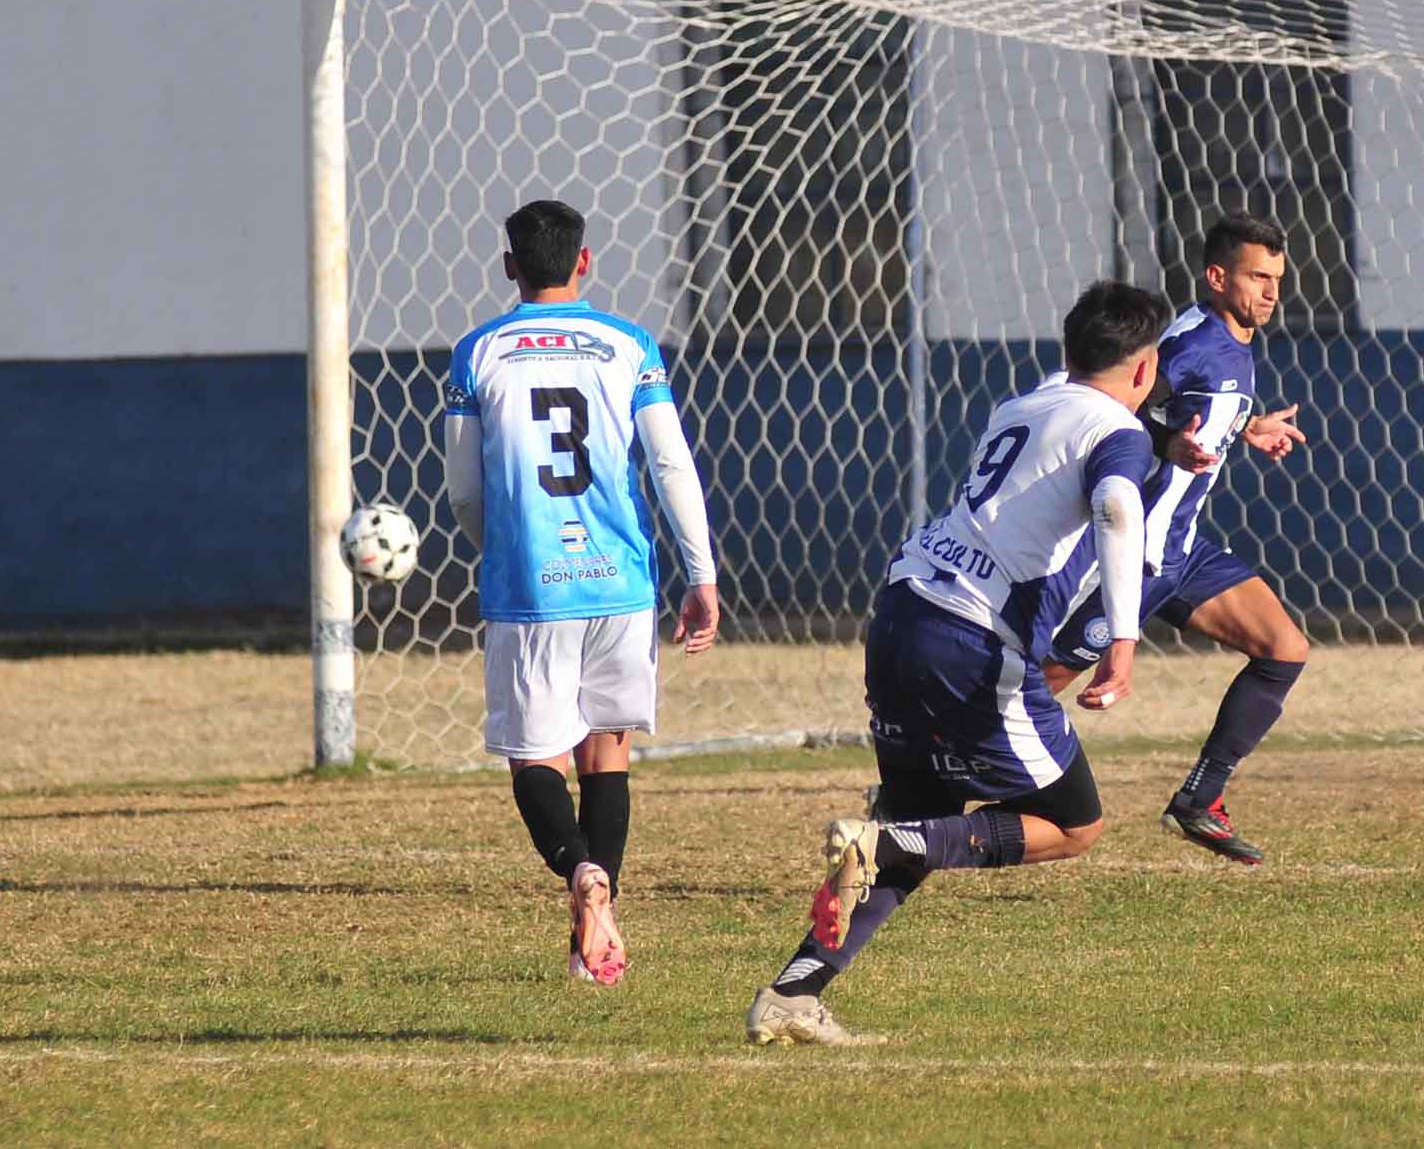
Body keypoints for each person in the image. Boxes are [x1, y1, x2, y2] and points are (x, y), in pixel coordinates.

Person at [745, 280, 1166, 1047]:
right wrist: (1125, 639)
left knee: (915, 818)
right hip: (969, 641)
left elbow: (1085, 425)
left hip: (902, 609)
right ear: (1144, 370)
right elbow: (1115, 506)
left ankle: (793, 993)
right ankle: (887, 845)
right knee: (1075, 824)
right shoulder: (1120, 437)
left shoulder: (1022, 407)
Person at [443, 198, 720, 985]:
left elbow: (463, 489)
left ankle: (580, 876)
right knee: (608, 753)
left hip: (530, 584)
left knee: (536, 757)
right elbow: (670, 466)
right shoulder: (629, 346)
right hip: (620, 582)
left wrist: (500, 553)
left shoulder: (478, 352)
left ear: (509, 267)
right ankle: (597, 928)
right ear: (585, 261)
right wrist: (700, 573)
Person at [1040, 216, 1308, 864]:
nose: (1272, 291)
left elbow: (1195, 407)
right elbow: (1111, 405)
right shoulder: (1186, 343)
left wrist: (1245, 426)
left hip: (1182, 550)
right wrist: (1168, 445)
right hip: (1130, 558)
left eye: (1277, 278)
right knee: (1031, 688)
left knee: (1283, 649)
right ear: (1217, 278)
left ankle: (1198, 799)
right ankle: (915, 781)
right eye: (1256, 277)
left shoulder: (1233, 342)